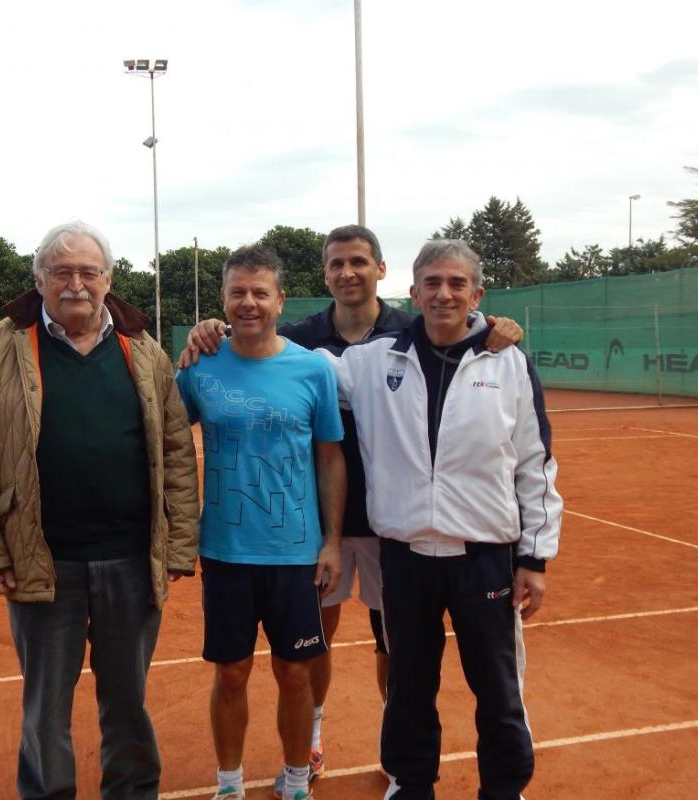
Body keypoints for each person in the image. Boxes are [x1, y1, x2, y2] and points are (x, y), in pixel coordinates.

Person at [181, 225, 524, 782]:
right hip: (322, 523)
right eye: (337, 264)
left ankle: (400, 745)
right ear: (324, 275)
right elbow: (257, 350)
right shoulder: (303, 337)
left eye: (359, 262)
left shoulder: (408, 330)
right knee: (318, 639)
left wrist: (490, 326)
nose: (348, 273)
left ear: (382, 271)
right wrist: (211, 329)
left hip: (396, 523)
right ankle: (312, 739)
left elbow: (455, 326)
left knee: (395, 643)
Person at [0, 220, 200, 800]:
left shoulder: (145, 351)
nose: (76, 283)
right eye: (62, 272)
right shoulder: (0, 346)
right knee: (44, 706)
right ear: (39, 280)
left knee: (127, 701)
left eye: (89, 271)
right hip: (42, 563)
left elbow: (178, 454)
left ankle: (132, 791)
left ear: (109, 279)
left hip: (132, 562)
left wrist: (179, 543)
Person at [318, 239, 562, 800]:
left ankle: (504, 788)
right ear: (414, 291)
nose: (443, 293)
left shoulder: (509, 364)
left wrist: (533, 557)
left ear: (477, 294)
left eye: (456, 284)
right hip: (404, 558)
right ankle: (410, 783)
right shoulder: (372, 362)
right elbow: (293, 363)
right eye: (432, 282)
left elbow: (535, 464)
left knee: (498, 688)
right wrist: (223, 330)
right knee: (408, 685)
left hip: (485, 560)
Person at [176, 244, 346, 800]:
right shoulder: (199, 365)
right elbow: (167, 441)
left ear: (280, 299)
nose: (248, 303)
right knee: (230, 674)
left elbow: (329, 458)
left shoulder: (312, 368)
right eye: (237, 293)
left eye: (260, 293)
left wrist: (333, 541)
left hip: (296, 553)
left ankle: (296, 779)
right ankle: (229, 785)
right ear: (223, 300)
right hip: (225, 550)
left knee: (295, 673)